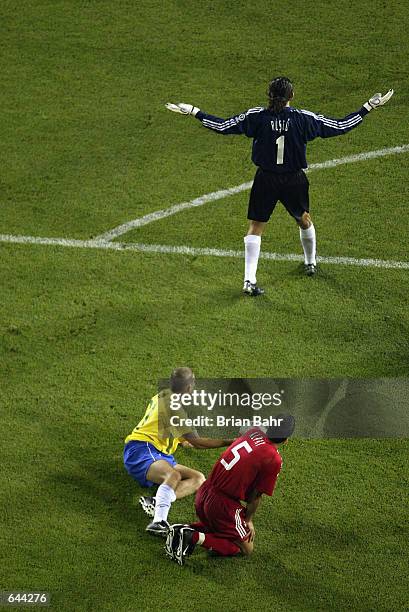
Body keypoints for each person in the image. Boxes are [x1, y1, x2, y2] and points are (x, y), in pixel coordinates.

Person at [166, 80, 393, 295]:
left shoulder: (257, 117)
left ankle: (249, 280)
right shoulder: (303, 119)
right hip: (294, 180)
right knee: (304, 219)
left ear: (269, 95)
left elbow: (223, 126)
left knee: (255, 227)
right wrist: (368, 107)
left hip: (265, 179)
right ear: (291, 96)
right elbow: (341, 125)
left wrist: (194, 111)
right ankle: (310, 261)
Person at [165, 415, 295, 565]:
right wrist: (248, 521)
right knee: (245, 548)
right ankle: (192, 537)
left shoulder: (253, 432)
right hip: (222, 506)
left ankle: (181, 529)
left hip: (204, 492)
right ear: (286, 440)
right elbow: (257, 495)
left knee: (221, 528)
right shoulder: (273, 458)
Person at [123, 367, 234, 536]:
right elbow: (197, 442)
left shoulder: (163, 395)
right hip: (142, 449)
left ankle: (156, 502)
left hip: (159, 454)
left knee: (198, 478)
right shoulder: (174, 407)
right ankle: (158, 522)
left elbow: (182, 437)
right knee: (173, 476)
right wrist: (230, 441)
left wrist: (186, 439)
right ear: (189, 388)